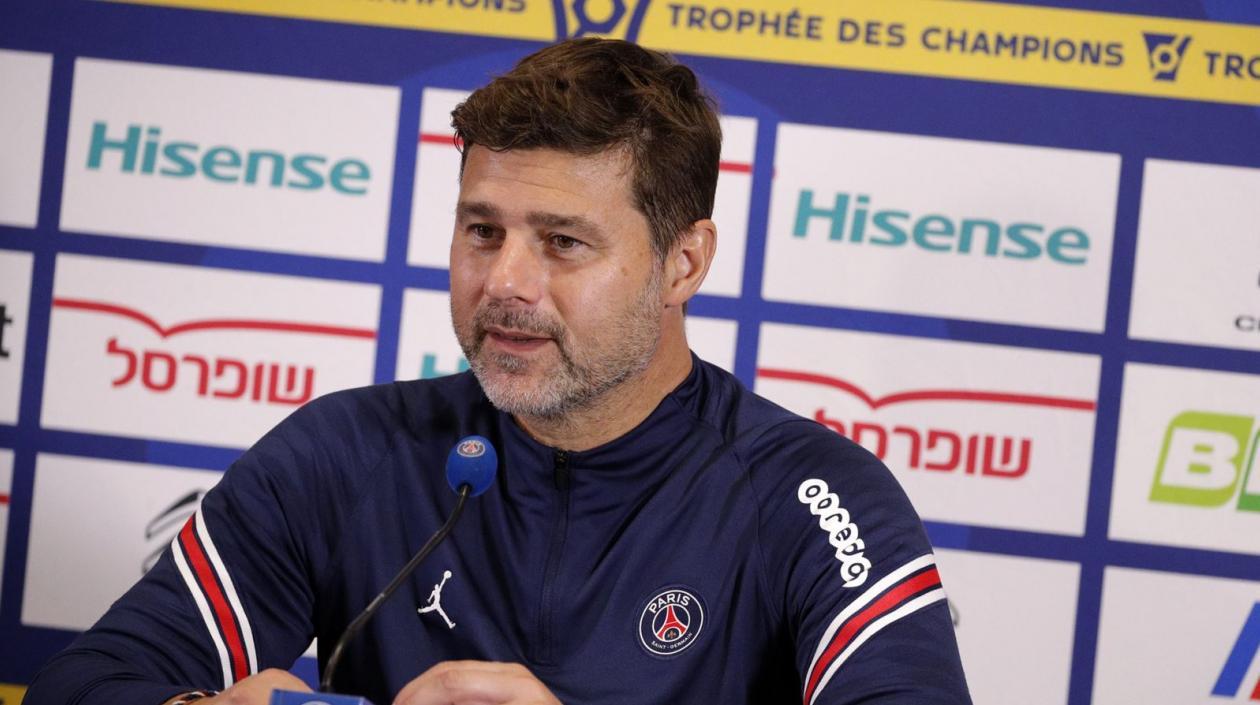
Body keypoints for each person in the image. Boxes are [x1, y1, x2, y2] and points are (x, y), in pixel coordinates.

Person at [26, 38, 971, 705]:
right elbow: (83, 683)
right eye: (482, 230)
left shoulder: (812, 495)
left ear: (683, 263)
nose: (504, 283)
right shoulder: (350, 451)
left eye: (562, 242)